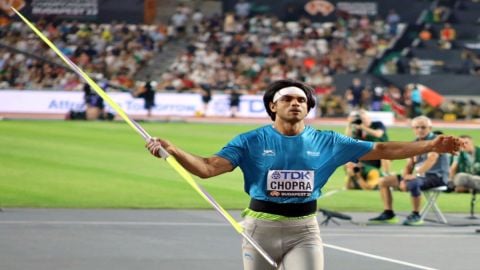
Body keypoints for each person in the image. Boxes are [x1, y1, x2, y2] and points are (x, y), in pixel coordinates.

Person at [146, 80, 462, 270]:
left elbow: (384, 149)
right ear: (273, 105)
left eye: (301, 100)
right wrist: (173, 150)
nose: (295, 103)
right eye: (287, 99)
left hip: (304, 230)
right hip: (260, 228)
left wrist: (430, 144)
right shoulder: (250, 140)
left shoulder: (329, 142)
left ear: (308, 108)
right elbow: (208, 168)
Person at [369, 116, 451, 226]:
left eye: (423, 127)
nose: (420, 130)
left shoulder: (437, 141)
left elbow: (432, 159)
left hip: (437, 176)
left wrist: (416, 175)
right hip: (421, 176)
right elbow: (410, 164)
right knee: (383, 181)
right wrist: (404, 178)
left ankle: (416, 215)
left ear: (430, 128)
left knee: (414, 183)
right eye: (417, 127)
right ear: (413, 129)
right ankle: (389, 213)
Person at [345, 109, 391, 174]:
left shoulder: (378, 124)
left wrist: (362, 127)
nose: (365, 120)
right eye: (362, 119)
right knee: (349, 162)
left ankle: (386, 174)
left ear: (369, 118)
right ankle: (355, 180)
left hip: (383, 153)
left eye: (365, 118)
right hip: (369, 155)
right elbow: (349, 139)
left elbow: (378, 134)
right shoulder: (359, 130)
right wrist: (349, 124)